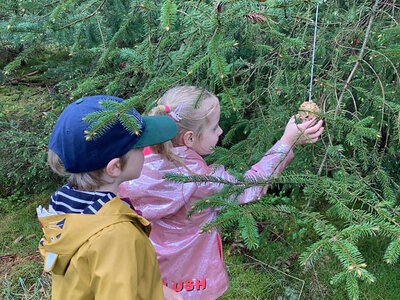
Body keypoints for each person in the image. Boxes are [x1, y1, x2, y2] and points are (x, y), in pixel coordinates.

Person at [118, 86, 324, 300]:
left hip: (153, 275)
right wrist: (286, 142)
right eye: (215, 127)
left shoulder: (137, 163)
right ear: (189, 139)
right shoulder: (199, 181)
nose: (220, 132)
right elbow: (249, 187)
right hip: (192, 278)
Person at [36, 95, 183, 300]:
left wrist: (157, 292)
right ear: (115, 167)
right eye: (140, 147)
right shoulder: (117, 235)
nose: (145, 151)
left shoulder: (65, 211)